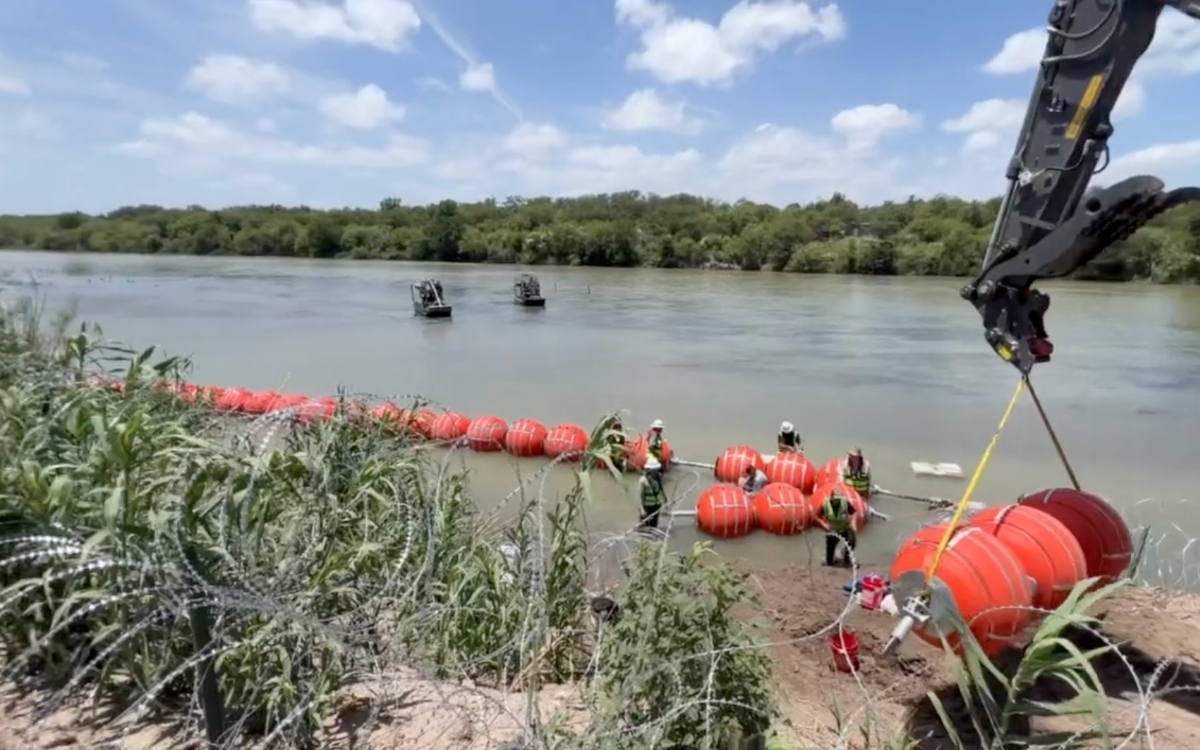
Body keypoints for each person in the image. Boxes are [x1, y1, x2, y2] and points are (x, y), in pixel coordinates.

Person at [816, 487, 859, 567]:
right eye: (836, 499)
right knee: (829, 559)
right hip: (833, 530)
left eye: (839, 498)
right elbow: (816, 516)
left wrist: (853, 523)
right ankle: (830, 561)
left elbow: (854, 512)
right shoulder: (825, 504)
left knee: (852, 542)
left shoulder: (845, 503)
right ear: (832, 498)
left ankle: (846, 558)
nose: (837, 500)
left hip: (845, 528)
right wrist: (824, 525)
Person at [638, 458, 666, 529]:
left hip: (656, 506)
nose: (656, 471)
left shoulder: (658, 478)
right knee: (644, 526)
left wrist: (665, 499)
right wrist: (642, 509)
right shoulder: (643, 481)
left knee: (654, 525)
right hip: (647, 507)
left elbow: (661, 489)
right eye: (654, 469)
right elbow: (641, 496)